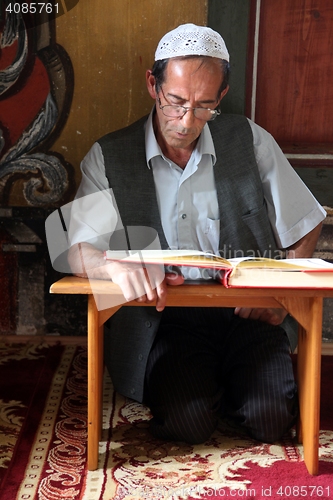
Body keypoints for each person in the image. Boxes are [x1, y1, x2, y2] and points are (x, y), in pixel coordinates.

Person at [68, 24, 326, 444]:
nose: (187, 121)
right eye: (176, 102)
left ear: (221, 97)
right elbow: (77, 249)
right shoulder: (109, 155)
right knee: (186, 425)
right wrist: (111, 265)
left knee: (271, 421)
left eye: (205, 106)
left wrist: (283, 295)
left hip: (247, 312)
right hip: (168, 321)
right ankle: (206, 387)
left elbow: (306, 221)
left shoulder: (248, 140)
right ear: (153, 84)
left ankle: (237, 384)